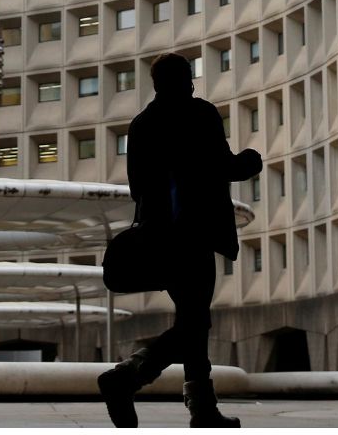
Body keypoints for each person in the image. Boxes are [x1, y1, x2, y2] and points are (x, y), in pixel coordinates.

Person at [97, 53, 262, 428]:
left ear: (156, 84)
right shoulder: (200, 114)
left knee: (193, 319)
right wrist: (251, 161)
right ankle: (128, 375)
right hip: (195, 236)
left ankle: (202, 409)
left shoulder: (141, 125)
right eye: (189, 77)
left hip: (159, 237)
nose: (191, 83)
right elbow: (225, 165)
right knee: (194, 321)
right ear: (185, 80)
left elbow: (137, 186)